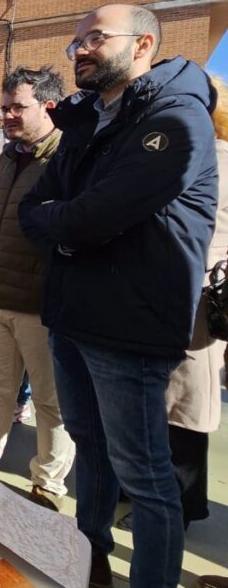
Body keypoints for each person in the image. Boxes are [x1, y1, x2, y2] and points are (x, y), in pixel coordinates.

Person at [20, 4, 217, 588]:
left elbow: (95, 216)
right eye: (75, 41)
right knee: (91, 447)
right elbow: (37, 211)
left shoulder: (177, 118)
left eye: (95, 38)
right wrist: (71, 224)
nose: (79, 49)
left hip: (129, 324)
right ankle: (91, 560)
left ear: (143, 44)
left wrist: (71, 225)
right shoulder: (86, 123)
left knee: (146, 474)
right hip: (71, 314)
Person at [0, 67, 74, 509]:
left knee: (50, 403)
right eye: (3, 107)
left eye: (16, 107)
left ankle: (47, 487)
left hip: (39, 307)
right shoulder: (5, 160)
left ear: (48, 106)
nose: (6, 114)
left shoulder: (68, 156)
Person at [118, 74, 227, 534]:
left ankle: (178, 509)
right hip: (154, 295)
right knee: (155, 403)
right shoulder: (161, 150)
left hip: (198, 300)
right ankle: (145, 493)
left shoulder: (214, 156)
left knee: (184, 408)